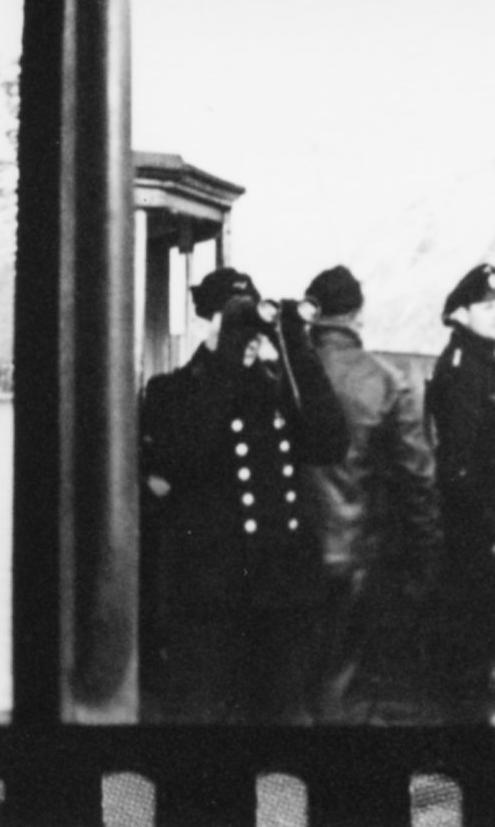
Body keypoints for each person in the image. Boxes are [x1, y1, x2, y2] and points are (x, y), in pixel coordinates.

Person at [139, 266, 348, 724]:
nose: (246, 333)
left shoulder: (274, 391)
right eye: (232, 318)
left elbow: (331, 442)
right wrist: (226, 361)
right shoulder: (170, 391)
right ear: (204, 322)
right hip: (211, 599)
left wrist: (296, 345)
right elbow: (184, 456)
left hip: (282, 596)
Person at [302, 265, 438, 723]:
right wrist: (424, 558)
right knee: (344, 681)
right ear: (358, 315)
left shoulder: (279, 372)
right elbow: (418, 479)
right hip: (356, 556)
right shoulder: (386, 380)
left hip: (282, 554)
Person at [424, 263, 495, 721]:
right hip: (477, 520)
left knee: (490, 619)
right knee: (473, 620)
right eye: (489, 307)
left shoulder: (485, 365)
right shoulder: (461, 369)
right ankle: (465, 713)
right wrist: (492, 524)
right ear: (462, 314)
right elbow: (459, 464)